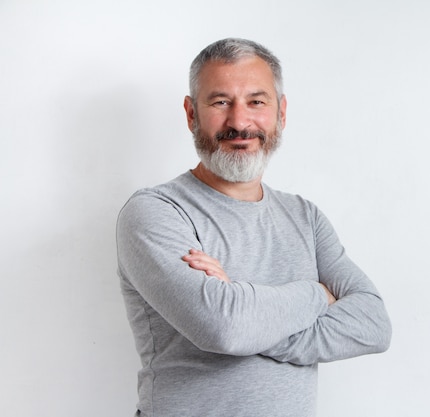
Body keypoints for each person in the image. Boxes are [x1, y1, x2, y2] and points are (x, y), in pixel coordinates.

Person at [116, 37, 392, 417]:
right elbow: (224, 329)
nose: (239, 122)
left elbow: (373, 325)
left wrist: (246, 311)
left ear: (281, 112)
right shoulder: (156, 212)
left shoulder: (305, 217)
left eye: (256, 102)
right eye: (220, 102)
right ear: (191, 113)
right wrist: (317, 294)